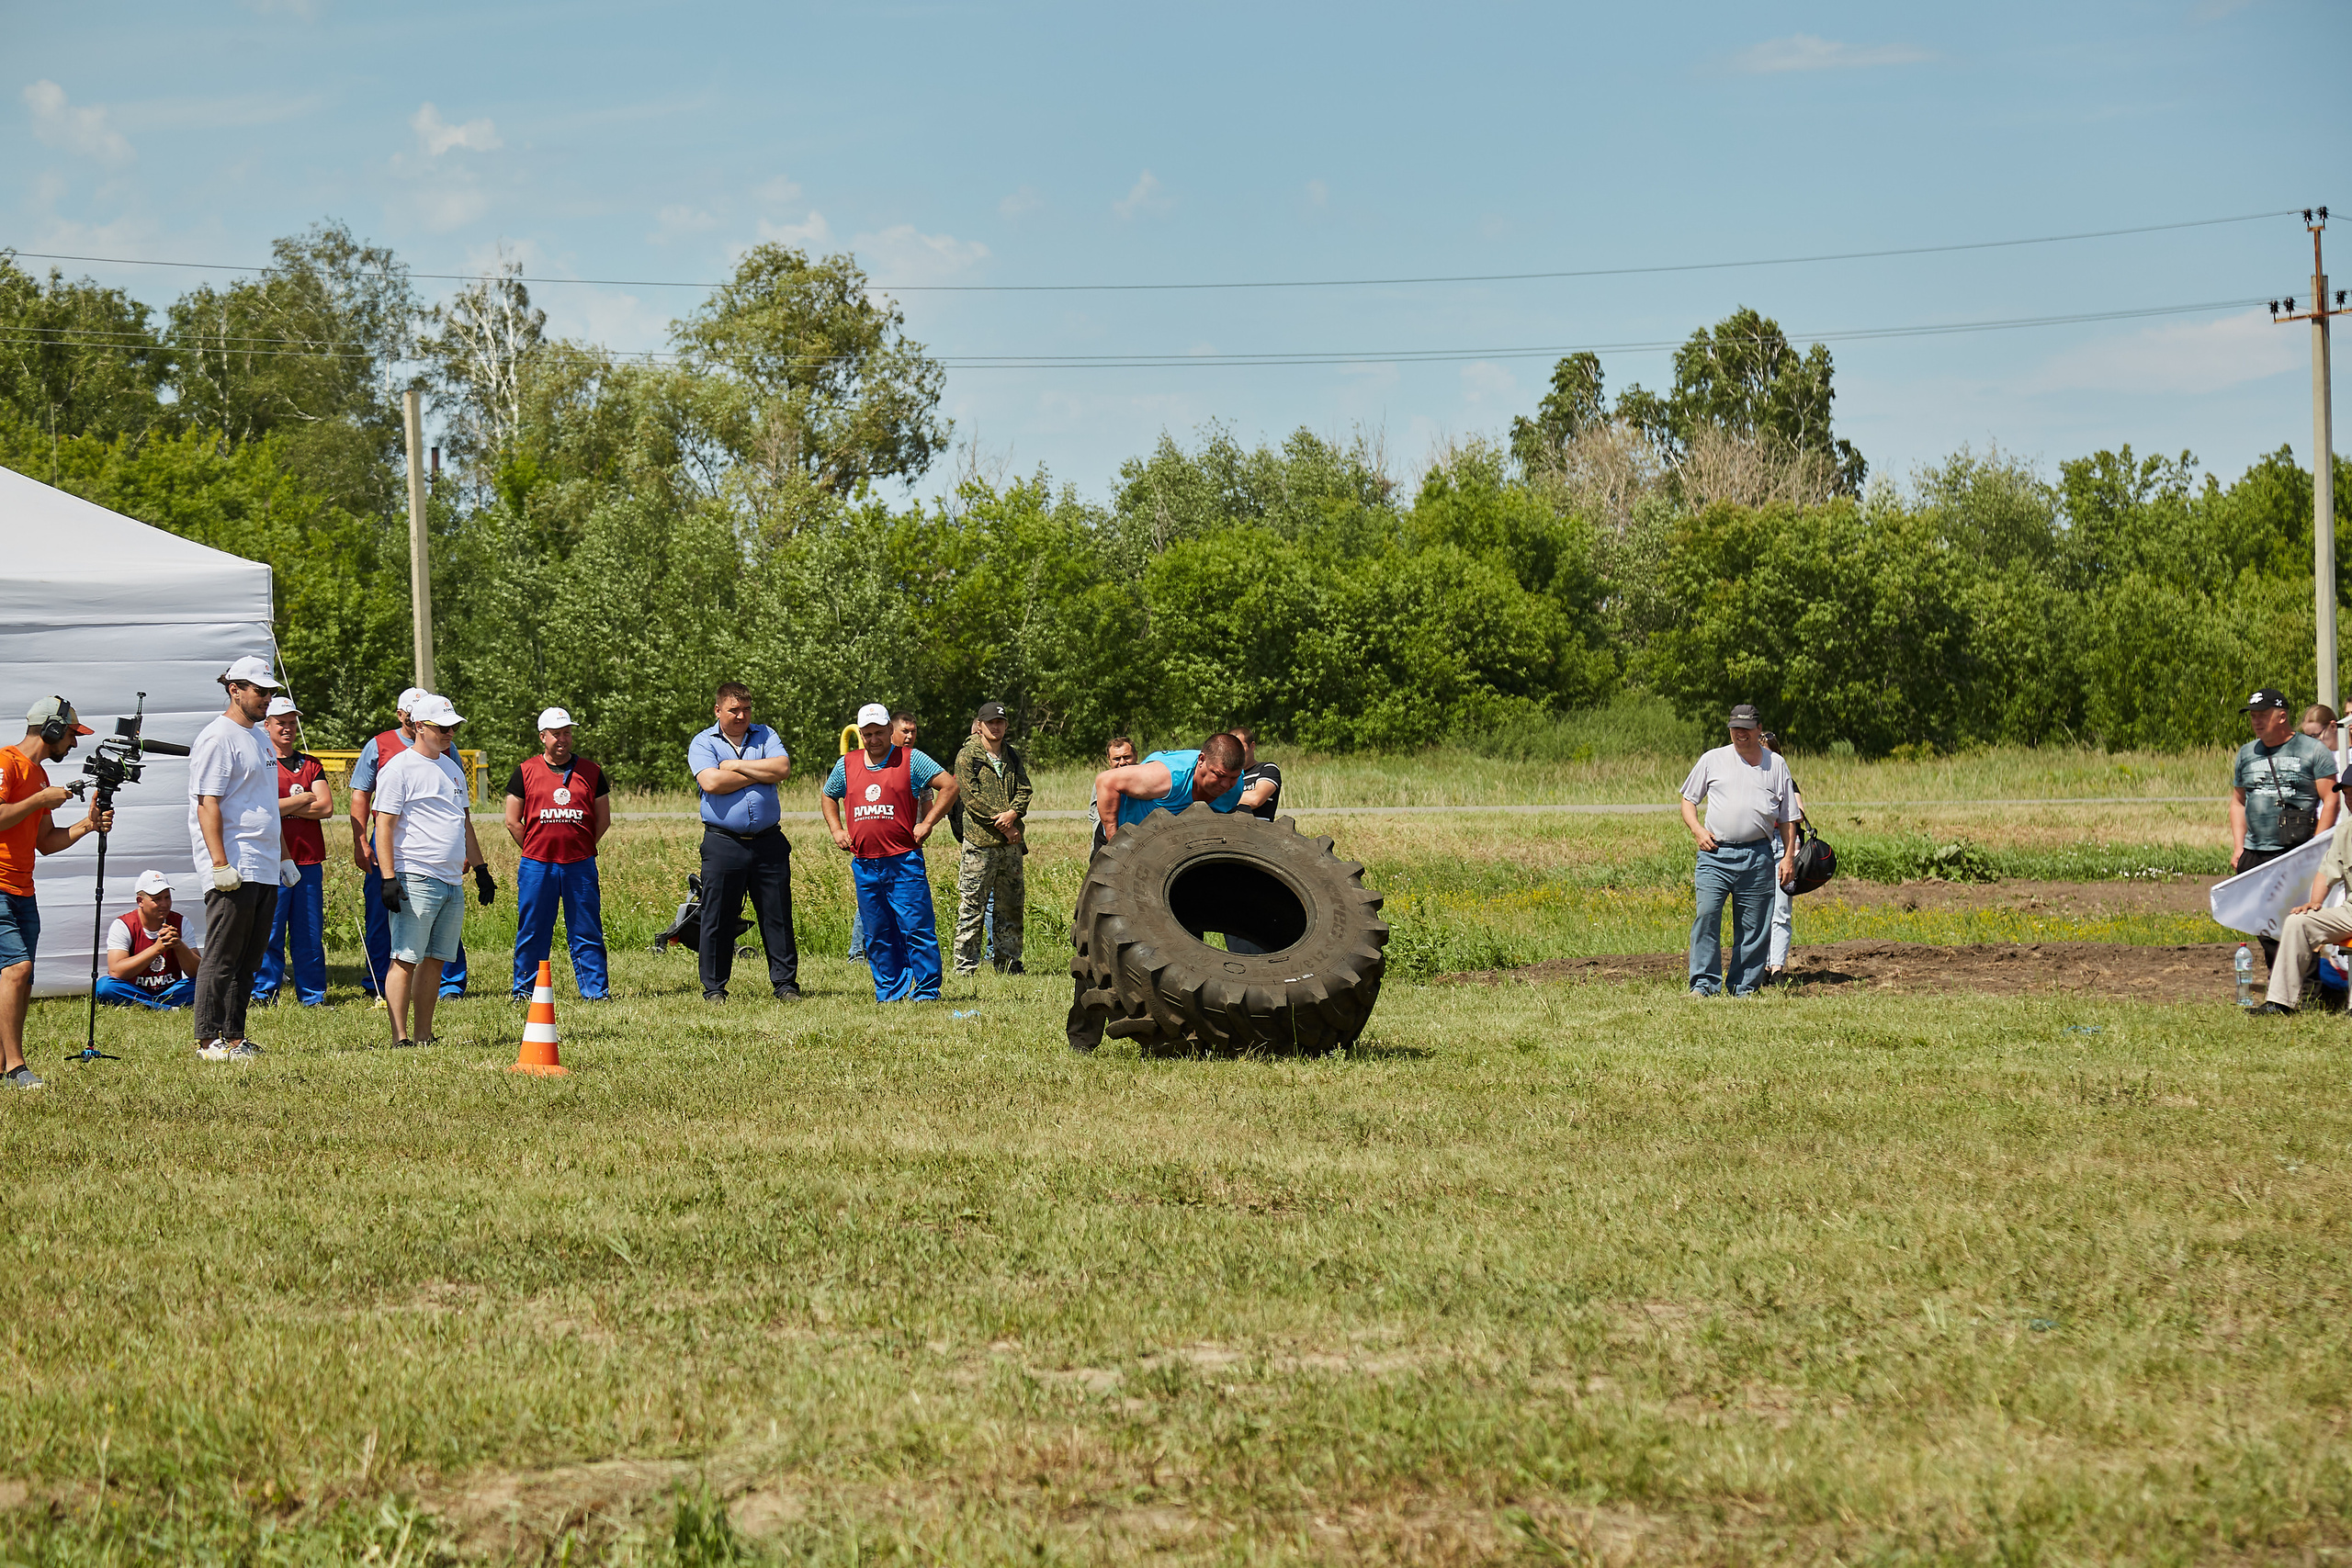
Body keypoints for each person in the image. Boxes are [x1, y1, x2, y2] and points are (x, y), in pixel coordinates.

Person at [1068, 732, 1248, 1052]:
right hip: (1121, 842)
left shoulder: (1233, 784)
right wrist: (1114, 842)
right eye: (1218, 776)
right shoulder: (1165, 778)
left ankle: (1183, 1034)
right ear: (1202, 762)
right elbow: (1106, 782)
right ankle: (1083, 1038)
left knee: (1186, 937)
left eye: (1232, 778)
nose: (1224, 785)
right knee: (1100, 939)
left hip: (1169, 856)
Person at [0, 696, 111, 1089]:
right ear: (49, 729)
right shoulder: (6, 762)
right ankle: (16, 1068)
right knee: (18, 970)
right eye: (70, 734)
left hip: (22, 891)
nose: (74, 744)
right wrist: (37, 800)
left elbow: (45, 842)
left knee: (19, 978)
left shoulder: (42, 777)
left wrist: (88, 824)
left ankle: (2, 1065)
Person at [372, 694, 490, 1049]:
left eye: (453, 726)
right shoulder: (398, 769)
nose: (450, 733)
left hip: (452, 881)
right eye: (443, 727)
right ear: (419, 726)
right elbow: (385, 827)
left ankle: (424, 1034)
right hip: (416, 877)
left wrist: (481, 868)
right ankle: (400, 1037)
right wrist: (389, 878)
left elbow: (464, 823)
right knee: (406, 957)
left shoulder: (452, 768)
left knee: (436, 960)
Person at [821, 703, 958, 1002]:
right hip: (865, 863)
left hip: (903, 861)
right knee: (878, 932)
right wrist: (836, 830)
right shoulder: (847, 764)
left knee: (917, 928)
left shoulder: (910, 759)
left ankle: (925, 992)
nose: (873, 739)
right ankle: (889, 992)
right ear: (861, 734)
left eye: (879, 733)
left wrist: (927, 823)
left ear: (889, 731)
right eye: (867, 734)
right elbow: (829, 795)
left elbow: (949, 785)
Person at [187, 656, 285, 1060]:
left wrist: (284, 856)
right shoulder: (217, 737)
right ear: (235, 689)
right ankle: (209, 1039)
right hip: (235, 862)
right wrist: (219, 863)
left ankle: (235, 1036)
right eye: (260, 691)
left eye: (270, 692)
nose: (266, 699)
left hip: (264, 861)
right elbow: (207, 803)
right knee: (223, 954)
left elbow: (262, 803)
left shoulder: (260, 738)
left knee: (249, 957)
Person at [349, 688, 469, 1000]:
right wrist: (361, 839)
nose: (449, 732)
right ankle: (377, 983)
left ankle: (450, 984)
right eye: (409, 711)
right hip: (397, 847)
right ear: (405, 716)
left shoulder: (447, 751)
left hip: (441, 858)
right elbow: (363, 795)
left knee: (440, 932)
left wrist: (468, 854)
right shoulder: (381, 747)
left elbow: (458, 808)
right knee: (384, 918)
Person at [1678, 703, 1799, 999]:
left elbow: (1787, 817)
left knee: (1754, 925)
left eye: (1746, 728)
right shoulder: (1713, 759)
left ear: (1759, 730)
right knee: (1707, 916)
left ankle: (1743, 986)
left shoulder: (1776, 765)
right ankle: (1703, 985)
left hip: (1758, 854)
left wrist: (1787, 857)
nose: (1739, 734)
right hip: (1714, 854)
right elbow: (1687, 801)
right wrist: (1697, 830)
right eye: (1735, 728)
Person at [689, 682, 798, 1003]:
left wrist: (735, 766)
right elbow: (711, 781)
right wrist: (761, 773)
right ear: (718, 710)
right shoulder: (703, 742)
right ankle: (714, 988)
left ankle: (785, 984)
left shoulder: (766, 735)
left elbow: (782, 768)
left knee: (777, 915)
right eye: (734, 710)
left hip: (768, 842)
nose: (741, 716)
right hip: (724, 843)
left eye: (746, 709)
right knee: (717, 917)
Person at [503, 706, 612, 1001]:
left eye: (567, 733)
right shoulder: (525, 771)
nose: (562, 739)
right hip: (537, 865)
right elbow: (513, 820)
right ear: (543, 737)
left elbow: (603, 819)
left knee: (587, 929)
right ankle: (524, 991)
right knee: (532, 931)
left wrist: (585, 845)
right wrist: (534, 847)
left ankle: (595, 992)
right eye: (556, 734)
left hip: (580, 865)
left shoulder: (592, 772)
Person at [2231, 687, 2338, 967]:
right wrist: (2238, 847)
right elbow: (2238, 802)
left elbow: (2331, 799)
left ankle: (2308, 989)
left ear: (2282, 716)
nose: (2256, 720)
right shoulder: (2246, 754)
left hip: (2295, 850)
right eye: (2253, 715)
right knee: (2262, 922)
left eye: (2263, 714)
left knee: (2297, 919)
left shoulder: (2313, 750)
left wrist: (2316, 847)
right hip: (2255, 852)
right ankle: (2281, 985)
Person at [252, 696, 332, 1008]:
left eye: (291, 722)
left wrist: (282, 806)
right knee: (270, 932)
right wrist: (302, 800)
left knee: (309, 934)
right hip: (270, 860)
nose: (287, 728)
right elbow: (263, 808)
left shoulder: (310, 764)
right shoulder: (260, 761)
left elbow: (325, 806)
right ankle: (263, 992)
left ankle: (313, 995)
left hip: (308, 858)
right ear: (267, 725)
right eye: (280, 722)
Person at [2255, 772, 2352, 1014]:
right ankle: (2280, 1002)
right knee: (2299, 922)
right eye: (2347, 794)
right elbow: (2326, 870)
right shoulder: (2345, 831)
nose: (2349, 800)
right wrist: (2314, 903)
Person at [953, 701, 1033, 975]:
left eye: (1000, 722)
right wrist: (1004, 823)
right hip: (980, 844)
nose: (996, 727)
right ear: (979, 725)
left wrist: (1014, 813)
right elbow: (971, 799)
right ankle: (965, 966)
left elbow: (1025, 788)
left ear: (1006, 725)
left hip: (1010, 847)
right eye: (990, 723)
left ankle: (1009, 963)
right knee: (972, 906)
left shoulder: (1011, 755)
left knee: (1010, 906)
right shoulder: (968, 756)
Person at [98, 868, 200, 1010]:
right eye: (157, 899)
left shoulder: (181, 922)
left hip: (170, 991)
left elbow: (198, 972)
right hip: (135, 989)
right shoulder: (124, 925)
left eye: (167, 897)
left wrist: (179, 945)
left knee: (211, 981)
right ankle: (166, 1007)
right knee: (105, 986)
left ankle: (147, 1005)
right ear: (140, 901)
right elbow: (116, 971)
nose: (164, 904)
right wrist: (157, 949)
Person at [1759, 729, 1807, 982]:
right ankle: (1762, 965)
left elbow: (1798, 813)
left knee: (1780, 909)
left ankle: (1776, 966)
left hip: (1783, 844)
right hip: (1759, 843)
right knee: (1758, 910)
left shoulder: (1786, 780)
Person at [1089, 736, 1140, 853]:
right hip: (1107, 838)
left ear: (1136, 755)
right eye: (1117, 759)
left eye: (1127, 757)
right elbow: (1094, 816)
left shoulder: (1148, 777)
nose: (1122, 763)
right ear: (1109, 759)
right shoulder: (1103, 782)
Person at [1233, 726, 1283, 819]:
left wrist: (1219, 797)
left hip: (1259, 831)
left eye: (1240, 747)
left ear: (1252, 746)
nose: (1236, 753)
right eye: (1232, 749)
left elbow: (1256, 799)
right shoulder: (1226, 776)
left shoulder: (1268, 769)